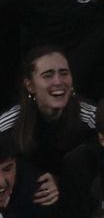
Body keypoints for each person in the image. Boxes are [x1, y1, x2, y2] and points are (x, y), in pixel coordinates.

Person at [0, 46, 97, 178]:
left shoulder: (92, 118)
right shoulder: (10, 124)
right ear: (30, 86)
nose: (58, 81)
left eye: (64, 73)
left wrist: (60, 183)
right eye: (48, 75)